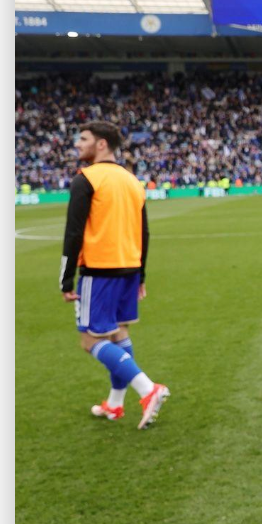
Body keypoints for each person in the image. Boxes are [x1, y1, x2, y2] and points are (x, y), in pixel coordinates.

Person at [62, 121, 170, 429]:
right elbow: (144, 232)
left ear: (101, 144)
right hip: (129, 269)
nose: (77, 144)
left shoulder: (86, 179)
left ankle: (148, 390)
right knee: (118, 334)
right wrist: (142, 275)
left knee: (90, 340)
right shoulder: (132, 180)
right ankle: (115, 404)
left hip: (100, 270)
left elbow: (73, 233)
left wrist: (66, 279)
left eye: (83, 139)